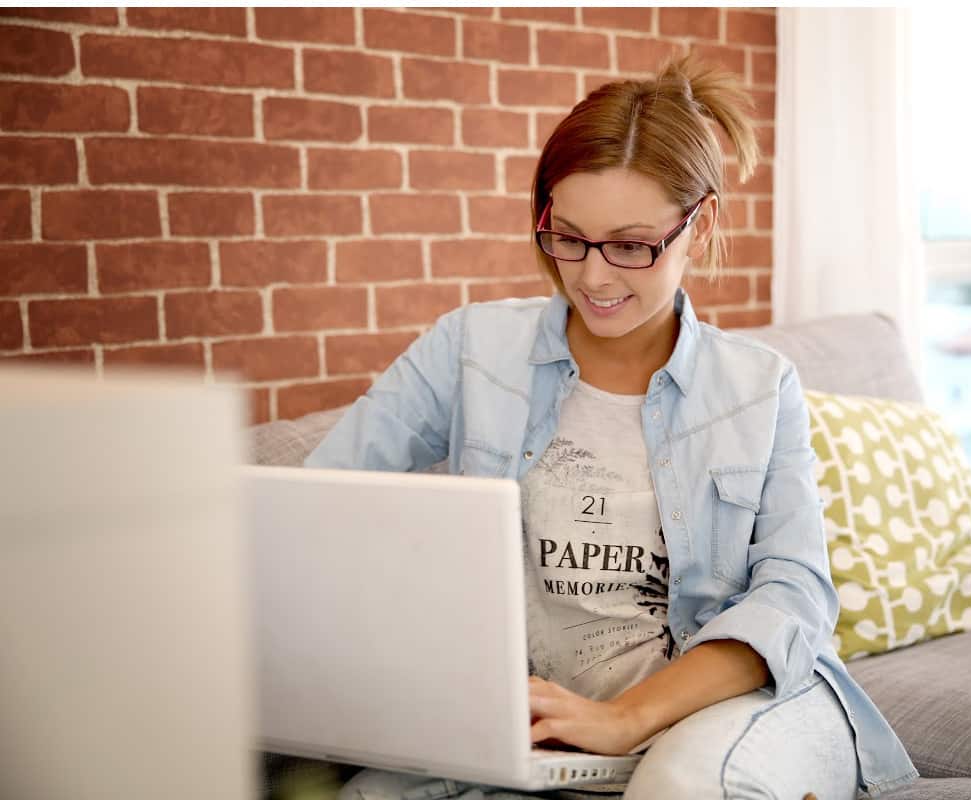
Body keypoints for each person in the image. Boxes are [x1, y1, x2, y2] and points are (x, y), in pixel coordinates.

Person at [303, 56, 918, 800]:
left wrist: (625, 718)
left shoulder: (759, 387)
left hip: (720, 707)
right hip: (548, 724)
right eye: (568, 237)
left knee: (677, 788)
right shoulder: (468, 350)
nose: (593, 278)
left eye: (631, 246)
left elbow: (795, 597)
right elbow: (319, 500)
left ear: (702, 225)